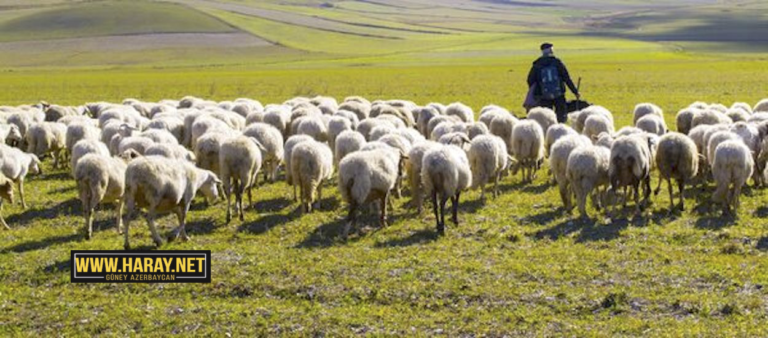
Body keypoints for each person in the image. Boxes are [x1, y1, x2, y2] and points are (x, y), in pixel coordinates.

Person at [526, 42, 580, 123]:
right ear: (551, 51)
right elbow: (567, 78)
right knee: (561, 115)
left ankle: (549, 131)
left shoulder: (537, 65)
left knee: (547, 117)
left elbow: (530, 80)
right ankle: (561, 130)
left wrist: (537, 93)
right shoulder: (557, 62)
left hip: (544, 96)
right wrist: (575, 91)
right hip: (559, 94)